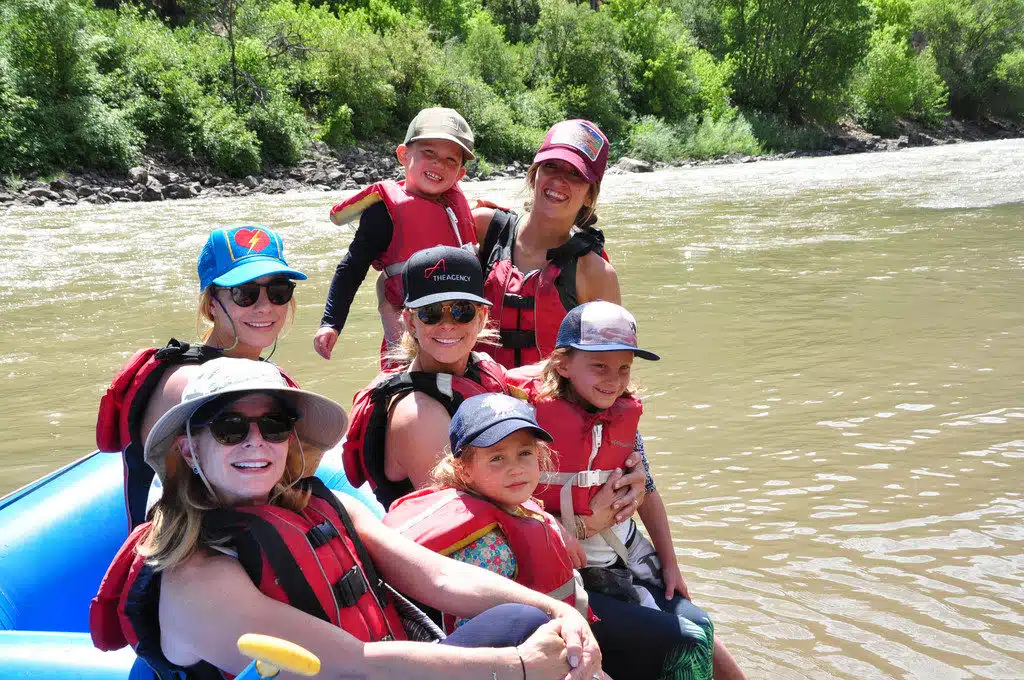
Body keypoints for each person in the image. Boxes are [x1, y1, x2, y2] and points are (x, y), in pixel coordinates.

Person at [90, 358, 606, 680]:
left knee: (529, 621)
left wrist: (563, 613)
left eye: (273, 425)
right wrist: (516, 668)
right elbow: (353, 663)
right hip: (360, 669)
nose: (256, 443)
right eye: (229, 427)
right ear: (189, 446)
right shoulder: (197, 577)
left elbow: (437, 575)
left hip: (376, 669)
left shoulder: (319, 504)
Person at [384, 393, 714, 680]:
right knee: (687, 644)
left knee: (693, 629)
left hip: (564, 625)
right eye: (497, 458)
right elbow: (506, 637)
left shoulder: (505, 499)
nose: (515, 468)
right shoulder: (486, 546)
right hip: (530, 652)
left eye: (525, 454)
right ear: (464, 469)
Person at [511, 301, 748, 680]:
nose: (613, 379)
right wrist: (579, 526)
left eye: (623, 368)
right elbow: (507, 506)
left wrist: (670, 566)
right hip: (572, 572)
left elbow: (649, 493)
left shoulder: (623, 419)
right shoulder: (526, 424)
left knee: (701, 627)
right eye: (599, 366)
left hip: (626, 556)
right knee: (686, 637)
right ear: (563, 363)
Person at [96, 224, 306, 528]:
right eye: (244, 293)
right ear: (211, 305)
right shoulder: (191, 384)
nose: (265, 307)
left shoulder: (255, 374)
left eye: (278, 291)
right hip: (194, 553)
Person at [315, 107, 478, 364]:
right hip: (410, 335)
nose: (438, 164)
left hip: (459, 330)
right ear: (403, 154)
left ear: (459, 174)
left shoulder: (460, 210)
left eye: (450, 160)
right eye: (429, 153)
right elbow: (352, 267)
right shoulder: (383, 213)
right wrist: (331, 323)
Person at [474, 119, 621, 369]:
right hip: (475, 398)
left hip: (549, 401)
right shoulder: (482, 228)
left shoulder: (597, 274)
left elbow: (609, 368)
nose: (559, 180)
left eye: (576, 174)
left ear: (589, 195)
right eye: (551, 166)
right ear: (534, 175)